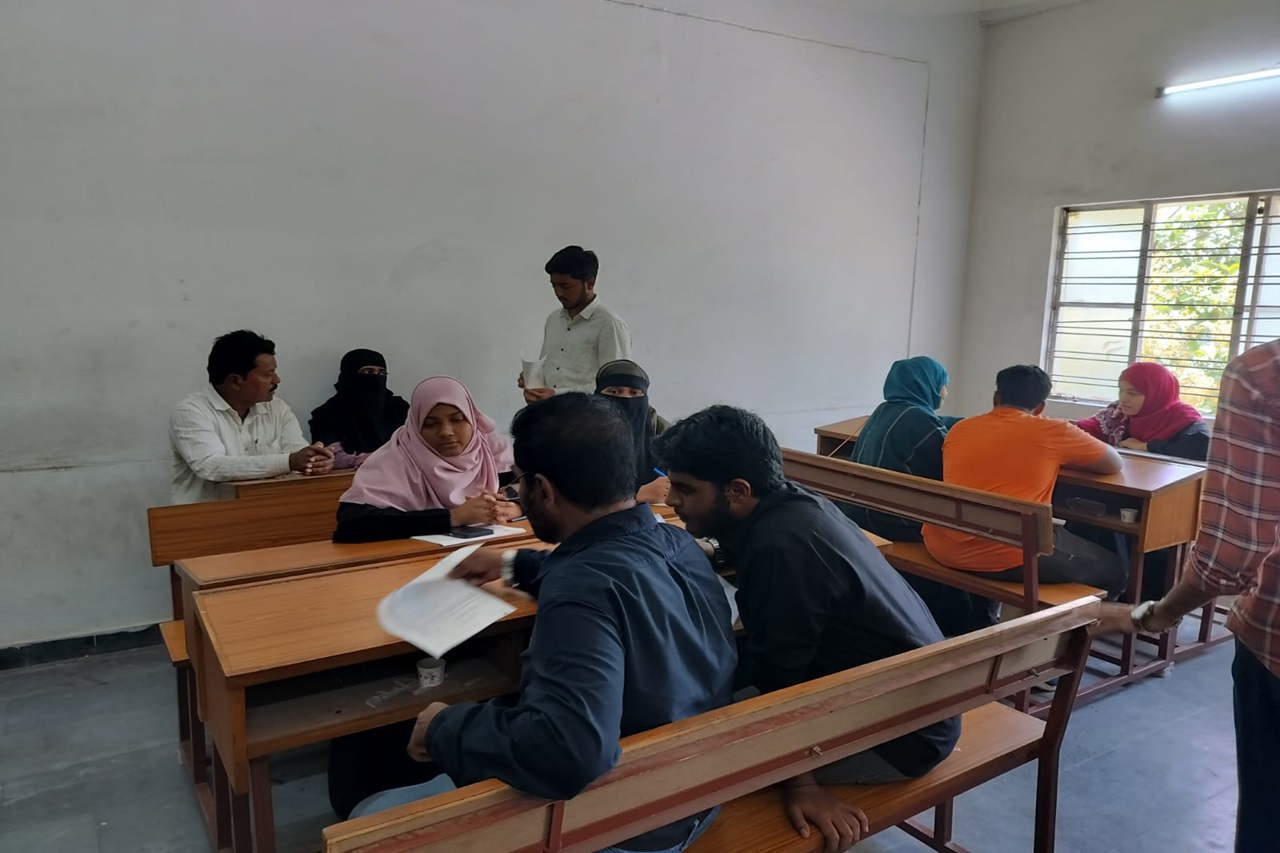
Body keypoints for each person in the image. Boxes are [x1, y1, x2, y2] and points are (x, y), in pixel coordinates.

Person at [349, 394, 737, 853]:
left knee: (368, 815)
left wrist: (443, 727)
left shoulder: (581, 588)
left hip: (629, 824)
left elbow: (567, 753)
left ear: (544, 490)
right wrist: (513, 564)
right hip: (697, 789)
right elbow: (615, 569)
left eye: (520, 484)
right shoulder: (675, 540)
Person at [653, 405, 960, 853]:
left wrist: (801, 784)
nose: (671, 501)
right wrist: (717, 552)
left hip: (898, 737)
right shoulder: (792, 503)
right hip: (904, 700)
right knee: (701, 691)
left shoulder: (783, 548)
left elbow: (782, 679)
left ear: (738, 491)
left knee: (675, 755)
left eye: (685, 489)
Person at [1095, 340, 1280, 853]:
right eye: (1122, 391)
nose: (1125, 400)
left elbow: (1232, 554)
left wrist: (1152, 615)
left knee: (1270, 813)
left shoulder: (1260, 376)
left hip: (1273, 640)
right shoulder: (1119, 417)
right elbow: (1092, 430)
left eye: (1134, 392)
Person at [922, 365, 1128, 598]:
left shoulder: (960, 428)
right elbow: (1114, 463)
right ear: (1040, 407)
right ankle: (1077, 621)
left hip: (943, 545)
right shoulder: (1053, 431)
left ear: (996, 397)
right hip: (1006, 555)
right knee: (1116, 570)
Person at [839, 356, 990, 635]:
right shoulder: (920, 421)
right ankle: (964, 625)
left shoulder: (885, 411)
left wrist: (972, 423)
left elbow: (936, 423)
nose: (945, 390)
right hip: (890, 521)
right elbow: (948, 467)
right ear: (928, 385)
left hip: (858, 512)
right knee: (969, 538)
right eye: (943, 384)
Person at [332, 376, 519, 542]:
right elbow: (351, 524)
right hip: (409, 561)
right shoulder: (394, 459)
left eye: (457, 419)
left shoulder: (489, 449)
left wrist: (516, 508)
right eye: (430, 424)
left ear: (472, 419)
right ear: (416, 426)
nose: (446, 432)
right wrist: (453, 517)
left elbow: (528, 490)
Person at [169, 330, 333, 504]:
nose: (277, 380)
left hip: (268, 510)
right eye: (268, 374)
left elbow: (298, 452)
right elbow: (211, 466)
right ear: (235, 381)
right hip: (204, 515)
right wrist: (289, 462)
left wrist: (315, 461)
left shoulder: (277, 408)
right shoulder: (191, 411)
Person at [518, 246, 632, 404]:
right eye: (554, 286)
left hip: (587, 415)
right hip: (548, 411)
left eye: (566, 286)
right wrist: (533, 380)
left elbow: (615, 386)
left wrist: (556, 394)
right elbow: (548, 367)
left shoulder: (609, 324)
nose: (559, 293)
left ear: (590, 284)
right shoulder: (553, 319)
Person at [1076, 361, 1209, 461]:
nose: (1123, 398)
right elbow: (1082, 430)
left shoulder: (1183, 417)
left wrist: (1145, 446)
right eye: (1121, 390)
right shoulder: (1118, 412)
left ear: (1155, 394)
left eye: (1132, 393)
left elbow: (1202, 450)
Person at [308, 349, 410, 469]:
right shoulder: (327, 414)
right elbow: (331, 456)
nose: (376, 378)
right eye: (367, 372)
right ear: (349, 375)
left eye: (382, 373)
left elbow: (417, 445)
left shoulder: (400, 408)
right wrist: (368, 460)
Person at [595, 359, 673, 506]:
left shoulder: (660, 429)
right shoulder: (580, 430)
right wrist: (636, 495)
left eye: (635, 392)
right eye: (614, 392)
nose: (626, 398)